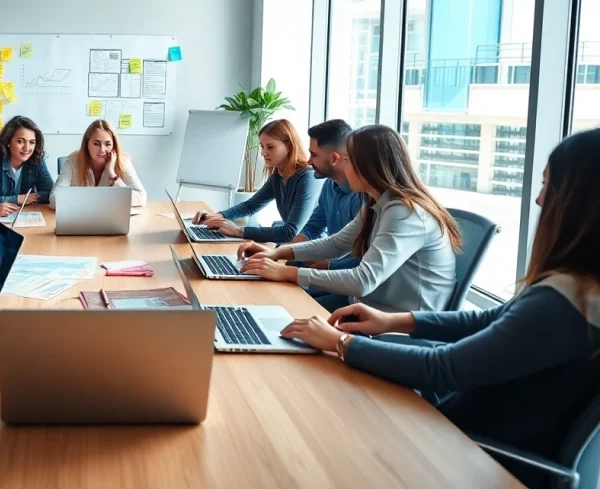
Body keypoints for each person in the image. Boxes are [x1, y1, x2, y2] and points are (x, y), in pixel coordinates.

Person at [278, 128, 600, 489]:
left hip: (469, 452)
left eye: (547, 185)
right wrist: (393, 320)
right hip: (467, 432)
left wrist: (339, 343)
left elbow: (445, 368)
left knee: (314, 426)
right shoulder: (577, 291)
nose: (539, 200)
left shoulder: (564, 303)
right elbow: (489, 318)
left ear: (580, 203)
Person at [238, 125, 459, 313]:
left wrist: (286, 272)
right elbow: (336, 243)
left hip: (395, 326)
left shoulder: (404, 213)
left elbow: (363, 281)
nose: (343, 166)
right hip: (368, 310)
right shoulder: (379, 203)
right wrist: (276, 253)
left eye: (347, 160)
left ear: (368, 166)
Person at [193, 119, 322, 243]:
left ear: (289, 146)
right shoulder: (278, 175)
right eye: (262, 146)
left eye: (270, 147)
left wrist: (238, 231)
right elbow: (250, 206)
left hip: (311, 251)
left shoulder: (308, 177)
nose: (263, 153)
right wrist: (216, 217)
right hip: (293, 246)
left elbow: (290, 232)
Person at [289, 119, 364, 310]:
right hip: (332, 272)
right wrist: (283, 252)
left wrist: (327, 265)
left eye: (313, 155)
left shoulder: (364, 196)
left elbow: (362, 256)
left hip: (348, 284)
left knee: (294, 306)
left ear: (334, 158)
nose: (308, 161)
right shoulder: (329, 186)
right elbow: (314, 226)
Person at [49, 119, 147, 209]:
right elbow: (54, 199)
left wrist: (112, 174)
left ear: (114, 146)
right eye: (96, 144)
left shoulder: (122, 161)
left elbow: (141, 197)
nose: (102, 150)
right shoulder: (73, 160)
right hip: (82, 220)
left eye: (108, 144)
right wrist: (105, 200)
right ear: (87, 144)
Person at [0, 115, 54, 207]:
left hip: (25, 213)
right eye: (20, 141)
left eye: (32, 142)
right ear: (8, 142)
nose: (27, 148)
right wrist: (20, 199)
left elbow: (51, 194)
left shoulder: (37, 159)